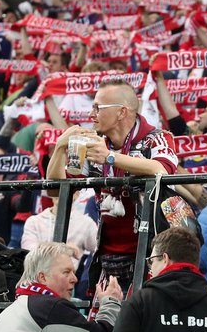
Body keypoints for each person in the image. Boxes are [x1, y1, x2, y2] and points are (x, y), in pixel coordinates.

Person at [46, 82, 178, 289]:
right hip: (108, 258)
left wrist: (110, 157)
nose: (91, 114)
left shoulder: (157, 137)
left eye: (97, 108)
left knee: (142, 310)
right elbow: (55, 189)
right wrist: (59, 148)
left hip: (152, 256)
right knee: (104, 310)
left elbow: (162, 169)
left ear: (121, 112)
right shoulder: (93, 144)